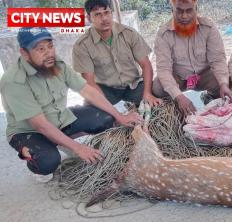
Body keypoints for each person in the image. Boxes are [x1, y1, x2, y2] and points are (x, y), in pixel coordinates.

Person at [0, 28, 142, 176]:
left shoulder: (56, 64)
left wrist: (120, 116)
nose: (49, 53)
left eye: (50, 46)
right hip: (30, 131)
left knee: (105, 117)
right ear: (24, 53)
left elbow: (88, 91)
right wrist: (78, 148)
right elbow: (40, 125)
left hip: (60, 118)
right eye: (41, 49)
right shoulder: (14, 81)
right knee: (47, 161)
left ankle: (61, 141)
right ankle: (36, 154)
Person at [152, 0, 232, 116]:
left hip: (205, 76)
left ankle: (210, 97)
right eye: (179, 11)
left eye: (189, 11)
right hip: (178, 79)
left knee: (229, 82)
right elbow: (163, 69)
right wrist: (178, 96)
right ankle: (173, 109)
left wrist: (223, 84)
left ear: (196, 10)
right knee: (158, 87)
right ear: (172, 11)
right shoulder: (163, 34)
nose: (184, 16)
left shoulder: (208, 28)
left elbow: (218, 60)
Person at [73, 0, 162, 107]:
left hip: (133, 86)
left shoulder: (129, 33)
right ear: (89, 18)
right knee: (92, 112)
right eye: (97, 14)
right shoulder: (82, 45)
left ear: (111, 13)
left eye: (106, 12)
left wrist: (147, 93)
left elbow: (146, 65)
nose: (104, 18)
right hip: (106, 91)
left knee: (158, 97)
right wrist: (114, 113)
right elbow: (90, 83)